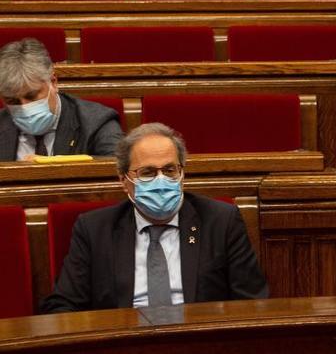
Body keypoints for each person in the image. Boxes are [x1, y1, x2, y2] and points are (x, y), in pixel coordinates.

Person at [40, 122, 268, 312]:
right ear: (124, 181)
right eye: (147, 173)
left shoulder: (221, 221)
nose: (161, 181)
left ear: (182, 173)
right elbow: (63, 306)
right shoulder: (94, 229)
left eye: (170, 171)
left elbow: (252, 302)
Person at [0, 38, 122, 162]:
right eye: (12, 101)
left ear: (53, 82)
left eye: (32, 96)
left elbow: (117, 166)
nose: (24, 108)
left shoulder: (96, 122)